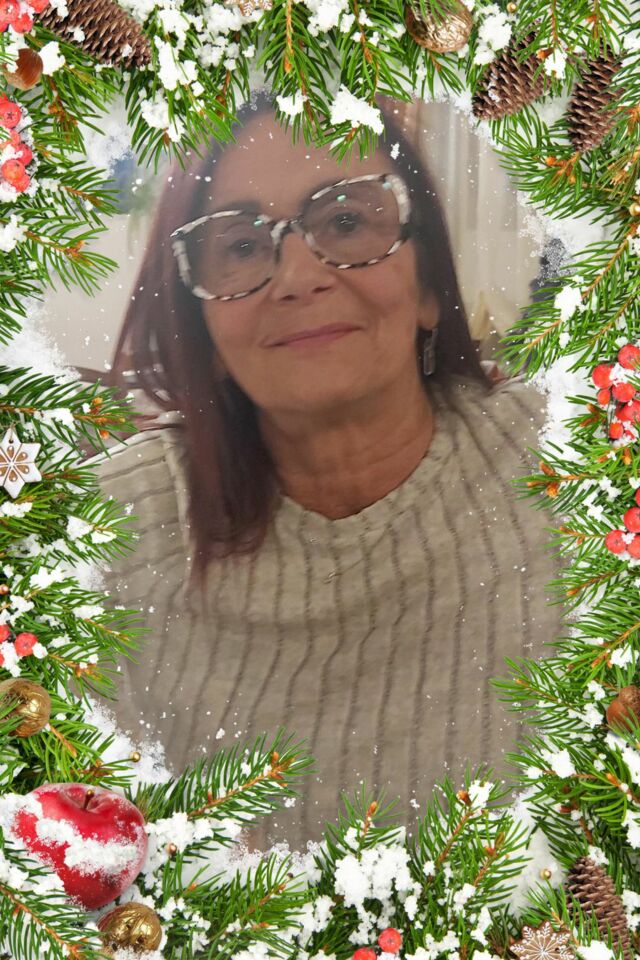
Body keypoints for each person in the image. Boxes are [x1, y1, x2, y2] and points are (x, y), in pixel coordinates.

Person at [90, 88, 563, 854]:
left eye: (345, 222)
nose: (297, 275)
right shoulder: (103, 534)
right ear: (205, 330)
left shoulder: (580, 464)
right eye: (241, 246)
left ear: (429, 287)